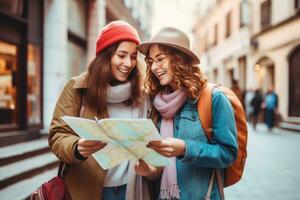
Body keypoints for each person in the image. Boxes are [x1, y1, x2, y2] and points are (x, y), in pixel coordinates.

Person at [48, 20, 162, 200]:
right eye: (121, 55)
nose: (128, 63)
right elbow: (57, 135)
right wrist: (77, 148)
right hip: (85, 189)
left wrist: (152, 170)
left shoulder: (145, 96)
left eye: (133, 56)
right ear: (105, 55)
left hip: (131, 190)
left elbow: (156, 146)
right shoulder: (77, 88)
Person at [138, 27, 238, 200]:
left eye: (160, 59)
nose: (154, 67)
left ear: (179, 59)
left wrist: (185, 148)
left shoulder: (214, 98)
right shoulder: (158, 103)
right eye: (150, 61)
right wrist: (151, 172)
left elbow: (228, 153)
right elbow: (161, 164)